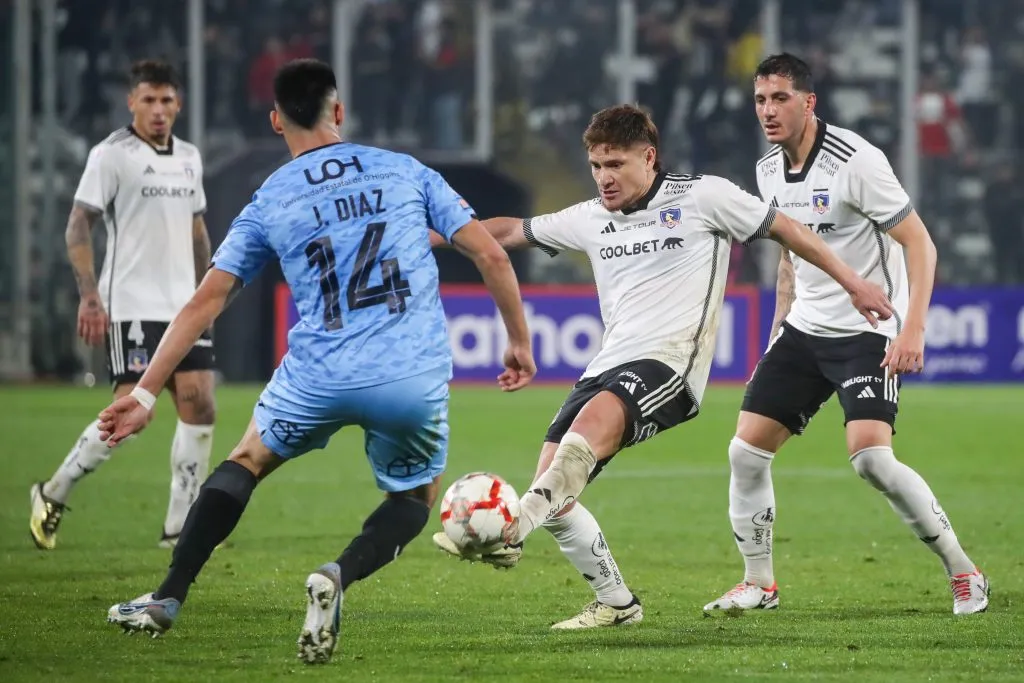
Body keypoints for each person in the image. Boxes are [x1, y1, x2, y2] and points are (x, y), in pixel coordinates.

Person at [100, 59, 536, 664]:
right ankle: (338, 572)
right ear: (338, 112)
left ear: (277, 121)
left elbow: (207, 299)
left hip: (319, 372)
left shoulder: (270, 197)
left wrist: (145, 393)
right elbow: (491, 255)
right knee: (414, 497)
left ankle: (167, 597)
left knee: (246, 460)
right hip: (408, 373)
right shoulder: (404, 170)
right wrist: (518, 340)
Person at [432, 104, 893, 628]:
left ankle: (512, 526)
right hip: (606, 364)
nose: (605, 177)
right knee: (555, 488)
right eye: (596, 166)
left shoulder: (705, 197)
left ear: (648, 157)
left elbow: (790, 231)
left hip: (671, 366)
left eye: (616, 164)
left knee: (576, 451)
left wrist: (854, 283)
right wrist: (434, 235)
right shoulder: (589, 217)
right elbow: (509, 231)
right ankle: (616, 603)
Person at [703, 53, 989, 616]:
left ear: (808, 102)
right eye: (760, 99)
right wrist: (777, 330)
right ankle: (759, 584)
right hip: (805, 330)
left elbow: (920, 243)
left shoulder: (856, 160)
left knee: (871, 461)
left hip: (870, 330)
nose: (768, 110)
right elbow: (789, 257)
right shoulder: (766, 172)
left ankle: (964, 571)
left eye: (780, 98)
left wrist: (913, 329)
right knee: (745, 454)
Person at [30, 60, 217, 551]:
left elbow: (198, 230)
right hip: (133, 301)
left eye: (166, 100)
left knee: (199, 404)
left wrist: (208, 289)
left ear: (178, 104)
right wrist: (90, 295)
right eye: (148, 100)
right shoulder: (111, 155)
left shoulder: (190, 157)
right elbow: (78, 225)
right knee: (132, 412)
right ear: (131, 102)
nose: (158, 110)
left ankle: (179, 528)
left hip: (184, 304)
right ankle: (53, 491)